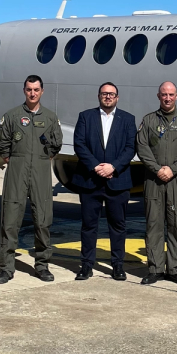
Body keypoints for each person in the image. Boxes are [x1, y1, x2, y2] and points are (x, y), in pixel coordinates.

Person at [0, 75, 63, 283]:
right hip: (17, 168)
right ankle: (6, 268)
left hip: (41, 170)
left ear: (42, 91)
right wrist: (14, 160)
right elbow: (1, 142)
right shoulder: (12, 116)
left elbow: (56, 144)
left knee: (42, 219)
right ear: (24, 90)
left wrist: (41, 159)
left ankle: (42, 265)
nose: (32, 93)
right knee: (10, 219)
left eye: (36, 90)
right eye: (29, 89)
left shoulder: (50, 118)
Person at [135, 81, 177, 285]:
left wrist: (173, 169)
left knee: (176, 225)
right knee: (153, 224)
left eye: (171, 95)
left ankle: (175, 269)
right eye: (164, 94)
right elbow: (142, 147)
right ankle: (155, 269)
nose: (168, 98)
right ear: (158, 96)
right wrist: (157, 169)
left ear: (176, 96)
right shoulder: (149, 120)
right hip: (154, 180)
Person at [72, 82, 137, 282]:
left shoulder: (128, 119)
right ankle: (86, 265)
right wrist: (96, 166)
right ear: (99, 96)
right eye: (104, 93)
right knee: (89, 226)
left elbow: (130, 147)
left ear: (117, 97)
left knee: (118, 226)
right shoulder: (86, 117)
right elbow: (79, 144)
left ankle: (117, 265)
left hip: (117, 180)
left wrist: (113, 167)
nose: (108, 97)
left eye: (111, 94)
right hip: (90, 180)